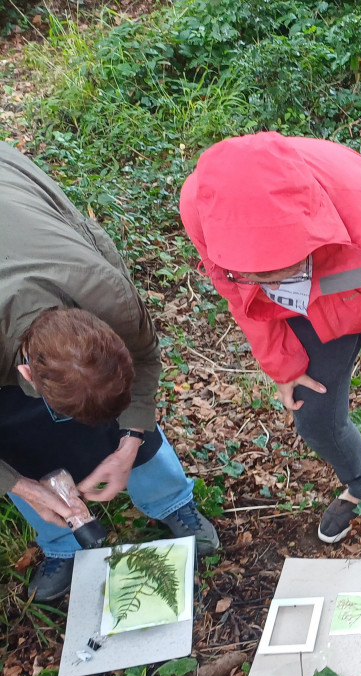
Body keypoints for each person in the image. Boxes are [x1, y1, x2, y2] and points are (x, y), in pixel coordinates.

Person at [179, 132, 361, 655]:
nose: (262, 279)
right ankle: (359, 481)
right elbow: (239, 295)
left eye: (274, 268)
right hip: (311, 305)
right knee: (312, 416)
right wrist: (281, 363)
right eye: (255, 271)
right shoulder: (204, 208)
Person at [0, 142, 218, 602]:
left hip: (15, 193)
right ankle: (61, 541)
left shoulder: (103, 291)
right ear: (26, 373)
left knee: (116, 405)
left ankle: (172, 501)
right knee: (13, 438)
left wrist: (129, 441)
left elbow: (145, 361)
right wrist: (22, 487)